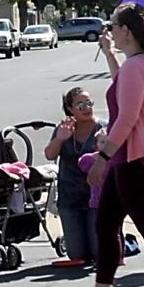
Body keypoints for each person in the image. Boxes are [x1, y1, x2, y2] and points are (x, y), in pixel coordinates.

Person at [57, 4, 144, 287]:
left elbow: (126, 117)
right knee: (106, 225)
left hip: (134, 160)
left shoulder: (137, 66)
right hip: (130, 159)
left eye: (113, 26)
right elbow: (123, 93)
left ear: (127, 30)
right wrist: (110, 54)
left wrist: (101, 157)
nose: (110, 30)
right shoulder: (137, 65)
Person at [44, 87, 107, 267]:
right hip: (70, 197)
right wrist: (60, 138)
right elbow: (50, 154)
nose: (86, 108)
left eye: (89, 103)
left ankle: (120, 239)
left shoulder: (102, 128)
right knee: (77, 254)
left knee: (98, 252)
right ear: (70, 109)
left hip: (97, 197)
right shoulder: (64, 129)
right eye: (80, 105)